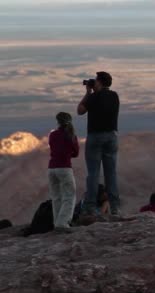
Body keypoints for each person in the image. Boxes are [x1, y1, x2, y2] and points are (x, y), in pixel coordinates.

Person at [77, 71, 121, 216]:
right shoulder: (115, 96)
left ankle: (90, 206)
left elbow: (80, 110)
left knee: (93, 173)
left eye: (95, 81)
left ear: (100, 82)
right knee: (111, 173)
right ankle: (115, 207)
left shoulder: (93, 97)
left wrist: (88, 93)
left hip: (95, 137)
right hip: (112, 137)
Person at [48, 112, 79, 231]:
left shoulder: (52, 135)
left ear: (58, 121)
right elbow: (76, 153)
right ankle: (63, 223)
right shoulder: (71, 135)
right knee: (69, 196)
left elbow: (53, 148)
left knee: (56, 197)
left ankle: (57, 222)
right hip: (65, 168)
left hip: (51, 168)